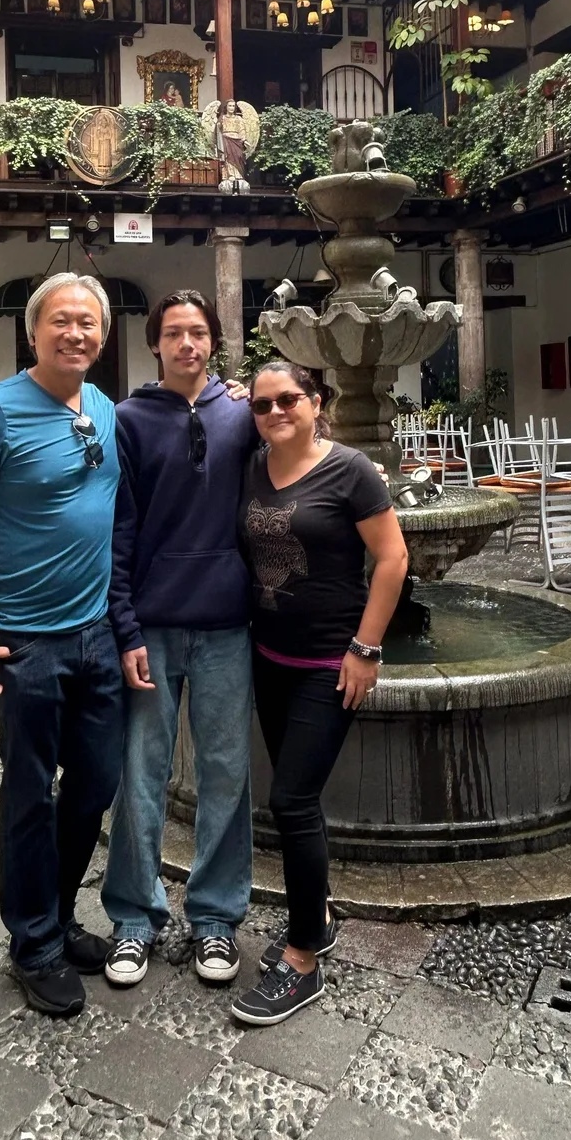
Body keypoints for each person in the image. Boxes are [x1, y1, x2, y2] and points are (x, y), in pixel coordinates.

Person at [0, 272, 123, 1018]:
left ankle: (60, 912)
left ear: (102, 338)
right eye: (62, 322)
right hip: (22, 641)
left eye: (89, 324)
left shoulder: (103, 407)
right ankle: (33, 943)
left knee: (93, 785)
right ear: (33, 330)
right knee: (28, 791)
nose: (76, 334)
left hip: (98, 635)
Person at [231, 361, 408, 1026]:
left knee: (292, 799)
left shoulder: (352, 470)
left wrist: (366, 649)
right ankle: (321, 916)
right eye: (262, 404)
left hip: (329, 664)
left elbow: (392, 559)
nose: (275, 412)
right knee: (293, 794)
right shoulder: (253, 464)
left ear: (315, 402)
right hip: (269, 655)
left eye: (288, 400)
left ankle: (303, 959)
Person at [103, 290, 257, 987]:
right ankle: (135, 918)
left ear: (214, 342)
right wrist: (125, 625)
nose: (187, 344)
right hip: (154, 628)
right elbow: (120, 527)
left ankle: (217, 918)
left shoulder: (245, 413)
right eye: (174, 333)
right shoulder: (130, 420)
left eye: (198, 333)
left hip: (228, 622)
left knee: (226, 773)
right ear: (155, 344)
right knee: (142, 775)